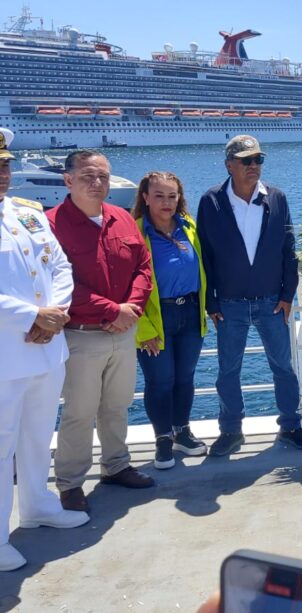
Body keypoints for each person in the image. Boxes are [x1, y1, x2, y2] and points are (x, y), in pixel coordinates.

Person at [0, 128, 89, 571]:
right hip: (5, 353)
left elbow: (59, 264)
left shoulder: (26, 213)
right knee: (0, 445)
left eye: (5, 164)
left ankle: (37, 506)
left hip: (46, 347)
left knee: (38, 434)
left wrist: (55, 312)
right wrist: (29, 316)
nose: (3, 173)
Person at [48, 150, 155, 513]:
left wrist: (132, 308)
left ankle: (116, 465)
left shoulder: (122, 218)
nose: (98, 184)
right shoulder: (51, 224)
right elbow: (59, 284)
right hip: (81, 334)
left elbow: (143, 266)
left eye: (104, 177)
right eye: (88, 177)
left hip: (123, 333)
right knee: (79, 411)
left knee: (117, 405)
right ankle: (70, 482)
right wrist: (114, 310)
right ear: (68, 180)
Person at [197, 135, 302, 456]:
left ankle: (291, 425)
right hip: (230, 305)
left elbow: (289, 251)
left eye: (258, 160)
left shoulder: (276, 198)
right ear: (229, 165)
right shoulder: (212, 201)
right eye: (246, 161)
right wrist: (210, 301)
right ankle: (231, 431)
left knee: (283, 367)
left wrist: (288, 295)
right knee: (228, 371)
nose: (254, 166)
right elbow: (204, 255)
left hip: (271, 301)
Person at [132, 171, 209, 469]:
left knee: (184, 378)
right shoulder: (135, 233)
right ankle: (163, 438)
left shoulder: (188, 227)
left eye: (172, 196)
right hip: (156, 317)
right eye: (160, 195)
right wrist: (143, 329)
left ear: (180, 198)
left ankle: (182, 432)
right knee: (160, 381)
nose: (167, 202)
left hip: (190, 312)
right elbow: (127, 284)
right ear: (145, 197)